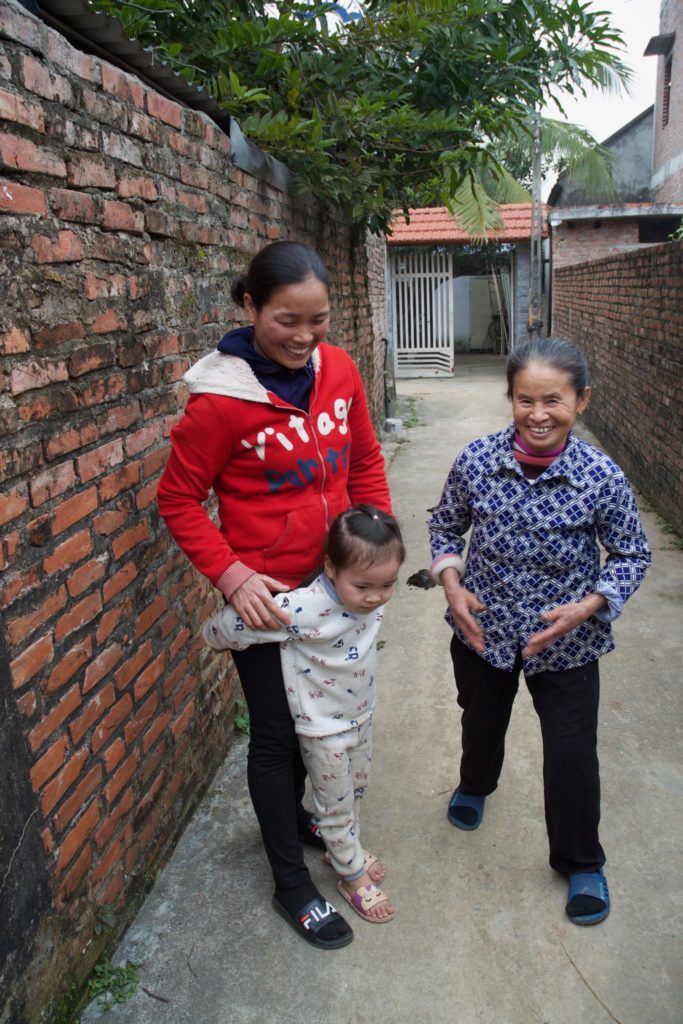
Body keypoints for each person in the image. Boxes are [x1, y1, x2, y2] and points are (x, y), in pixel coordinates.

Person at [157, 240, 392, 949]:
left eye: (318, 320)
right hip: (267, 604)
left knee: (328, 723)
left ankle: (299, 821)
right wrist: (231, 574)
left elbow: (363, 459)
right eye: (287, 320)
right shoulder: (219, 404)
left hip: (334, 593)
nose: (304, 337)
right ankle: (291, 883)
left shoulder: (339, 369)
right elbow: (178, 499)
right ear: (250, 306)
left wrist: (378, 547)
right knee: (276, 736)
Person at [428, 336, 651, 926]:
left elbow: (631, 554)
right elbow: (445, 527)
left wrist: (589, 606)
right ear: (511, 398)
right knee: (480, 720)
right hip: (483, 630)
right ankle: (475, 784)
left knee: (572, 752)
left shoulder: (600, 476)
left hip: (569, 642)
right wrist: (452, 585)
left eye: (553, 399)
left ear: (582, 401)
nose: (538, 414)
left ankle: (581, 861)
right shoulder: (477, 460)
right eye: (525, 399)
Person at [203, 505, 405, 925]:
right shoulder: (302, 608)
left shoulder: (371, 595)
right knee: (334, 802)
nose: (375, 598)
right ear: (330, 568)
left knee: (356, 789)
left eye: (387, 585)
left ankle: (342, 847)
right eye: (364, 586)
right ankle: (351, 874)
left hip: (360, 714)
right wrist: (216, 635)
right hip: (323, 729)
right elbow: (227, 626)